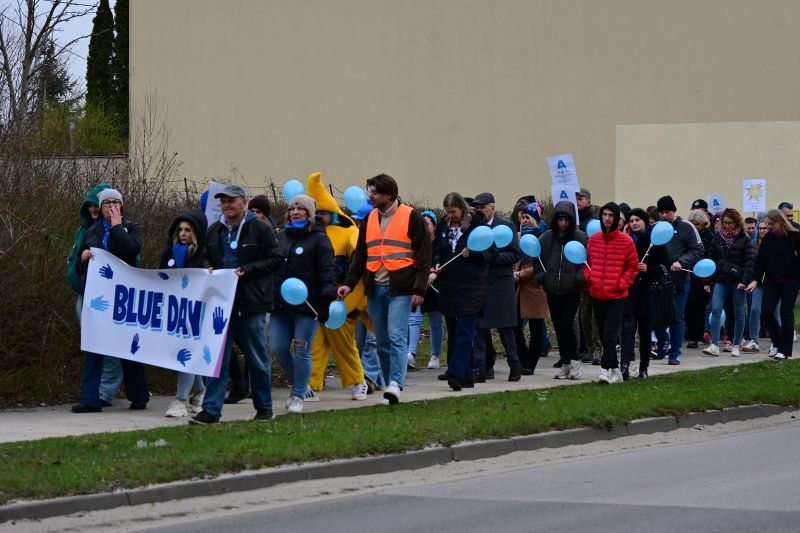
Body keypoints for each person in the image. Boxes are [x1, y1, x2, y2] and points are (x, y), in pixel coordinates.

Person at [190, 184, 282, 424]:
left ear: (244, 202)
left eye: (232, 200)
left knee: (256, 357)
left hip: (251, 302)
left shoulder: (259, 228)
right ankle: (211, 410)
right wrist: (206, 266)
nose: (227, 205)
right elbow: (205, 256)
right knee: (217, 357)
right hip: (221, 303)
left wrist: (248, 270)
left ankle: (264, 407)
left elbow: (275, 259)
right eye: (223, 201)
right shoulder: (214, 230)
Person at [338, 174, 432, 404]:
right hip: (376, 289)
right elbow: (360, 257)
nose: (370, 195)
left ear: (389, 195)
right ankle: (391, 382)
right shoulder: (369, 219)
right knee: (381, 341)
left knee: (397, 336)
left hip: (401, 288)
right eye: (370, 191)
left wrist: (419, 288)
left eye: (375, 192)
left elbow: (424, 254)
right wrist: (348, 284)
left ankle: (395, 384)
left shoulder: (411, 216)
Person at [71, 188, 150, 413]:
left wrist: (117, 227)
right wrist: (84, 259)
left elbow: (130, 251)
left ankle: (139, 395)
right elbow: (79, 264)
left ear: (122, 206)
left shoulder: (132, 227)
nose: (111, 207)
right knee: (94, 345)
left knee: (128, 345)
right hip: (100, 297)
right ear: (101, 207)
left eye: (116, 203)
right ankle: (89, 399)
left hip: (124, 296)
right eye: (107, 204)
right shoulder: (94, 230)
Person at [271, 194, 337, 413]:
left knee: (302, 351)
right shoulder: (280, 237)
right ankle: (301, 382)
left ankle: (298, 395)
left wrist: (326, 300)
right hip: (281, 305)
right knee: (278, 347)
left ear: (310, 213)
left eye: (300, 208)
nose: (295, 212)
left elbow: (327, 271)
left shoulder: (319, 239)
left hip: (308, 305)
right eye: (292, 208)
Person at [305, 172, 369, 401]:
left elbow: (360, 255)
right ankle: (310, 383)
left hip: (340, 300)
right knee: (315, 343)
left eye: (323, 212)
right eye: (317, 213)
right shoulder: (307, 235)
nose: (320, 217)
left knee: (343, 343)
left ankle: (358, 381)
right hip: (315, 298)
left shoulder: (349, 231)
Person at [430, 193, 489, 391]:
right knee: (454, 332)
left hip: (471, 287)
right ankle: (466, 376)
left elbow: (489, 254)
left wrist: (473, 254)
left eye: (453, 212)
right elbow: (438, 247)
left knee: (465, 329)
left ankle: (455, 372)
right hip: (449, 286)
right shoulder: (444, 226)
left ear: (462, 209)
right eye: (447, 212)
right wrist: (437, 262)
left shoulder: (476, 227)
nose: (450, 215)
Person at [160, 209, 208, 417]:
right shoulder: (169, 253)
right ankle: (200, 390)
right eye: (180, 229)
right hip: (174, 310)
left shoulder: (203, 255)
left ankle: (180, 400)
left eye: (188, 230)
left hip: (195, 311)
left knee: (186, 351)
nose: (183, 233)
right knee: (182, 351)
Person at [471, 192, 523, 382]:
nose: (479, 211)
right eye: (476, 208)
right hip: (481, 284)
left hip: (501, 284)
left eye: (482, 207)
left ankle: (514, 364)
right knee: (479, 328)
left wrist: (493, 258)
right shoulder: (474, 228)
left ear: (492, 208)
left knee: (504, 328)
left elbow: (515, 255)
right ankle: (481, 368)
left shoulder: (506, 226)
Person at [584, 202, 639, 384]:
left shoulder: (626, 241)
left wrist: (621, 283)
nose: (607, 219)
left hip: (617, 296)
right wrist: (590, 278)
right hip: (597, 293)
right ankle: (615, 369)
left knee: (610, 333)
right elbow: (586, 264)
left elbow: (632, 267)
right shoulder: (594, 240)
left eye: (611, 215)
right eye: (604, 215)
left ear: (616, 219)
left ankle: (604, 369)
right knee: (603, 333)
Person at [534, 201, 587, 380]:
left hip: (572, 289)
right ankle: (565, 363)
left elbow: (586, 263)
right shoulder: (547, 238)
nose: (563, 223)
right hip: (552, 289)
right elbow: (537, 260)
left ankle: (574, 361)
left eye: (566, 220)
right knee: (559, 327)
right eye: (560, 219)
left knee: (566, 325)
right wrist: (542, 277)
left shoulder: (580, 238)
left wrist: (579, 279)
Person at [621, 208, 669, 380]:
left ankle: (644, 368)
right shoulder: (626, 240)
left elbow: (665, 267)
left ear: (644, 221)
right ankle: (624, 366)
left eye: (637, 220)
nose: (634, 223)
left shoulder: (655, 241)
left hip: (648, 294)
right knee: (627, 331)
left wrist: (649, 269)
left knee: (645, 333)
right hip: (629, 292)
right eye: (631, 221)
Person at [746, 209, 800, 360]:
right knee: (766, 312)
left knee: (786, 314)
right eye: (767, 224)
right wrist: (755, 280)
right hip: (772, 281)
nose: (768, 227)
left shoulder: (794, 236)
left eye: (771, 224)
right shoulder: (768, 238)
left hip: (791, 281)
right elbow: (760, 262)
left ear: (780, 222)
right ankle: (778, 342)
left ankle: (785, 350)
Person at [657, 195, 704, 365]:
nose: (663, 215)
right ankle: (663, 342)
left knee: (677, 317)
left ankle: (675, 352)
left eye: (667, 212)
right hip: (659, 280)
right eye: (661, 212)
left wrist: (681, 261)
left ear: (674, 211)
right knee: (657, 316)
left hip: (680, 280)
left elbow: (698, 249)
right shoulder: (656, 228)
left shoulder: (686, 227)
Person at [702, 209, 754, 357]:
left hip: (738, 281)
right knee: (716, 309)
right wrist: (707, 281)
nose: (727, 226)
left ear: (737, 223)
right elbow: (710, 259)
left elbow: (750, 262)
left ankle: (736, 343)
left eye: (730, 223)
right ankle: (714, 344)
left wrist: (744, 281)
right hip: (720, 279)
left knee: (738, 312)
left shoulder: (745, 239)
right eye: (725, 223)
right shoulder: (717, 238)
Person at [513, 202, 549, 375]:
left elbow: (542, 265)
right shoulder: (517, 236)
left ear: (535, 220)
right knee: (514, 325)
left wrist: (522, 274)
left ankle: (531, 362)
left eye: (528, 217)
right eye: (523, 217)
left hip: (535, 287)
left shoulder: (543, 237)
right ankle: (523, 356)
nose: (524, 220)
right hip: (517, 288)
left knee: (536, 327)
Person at [408, 210, 445, 369]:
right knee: (414, 319)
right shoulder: (414, 242)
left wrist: (434, 273)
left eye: (427, 223)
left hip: (435, 287)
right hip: (417, 285)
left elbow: (440, 260)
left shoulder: (439, 243)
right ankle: (411, 354)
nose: (423, 226)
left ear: (434, 227)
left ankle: (435, 355)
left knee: (435, 322)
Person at [575, 188, 602, 365]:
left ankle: (597, 349)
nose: (577, 201)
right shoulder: (572, 222)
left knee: (594, 317)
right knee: (583, 316)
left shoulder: (594, 223)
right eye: (575, 198)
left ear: (589, 201)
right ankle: (585, 349)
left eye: (581, 198)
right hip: (578, 275)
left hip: (596, 276)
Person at [684, 210, 715, 349]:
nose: (695, 227)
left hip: (703, 275)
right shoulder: (687, 235)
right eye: (693, 224)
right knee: (689, 306)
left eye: (697, 224)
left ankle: (695, 336)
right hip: (688, 272)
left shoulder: (710, 237)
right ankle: (690, 333)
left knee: (699, 307)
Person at [742, 218, 769, 353]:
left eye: (765, 228)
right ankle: (754, 340)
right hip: (757, 282)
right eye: (761, 228)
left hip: (773, 283)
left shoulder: (775, 243)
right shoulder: (753, 245)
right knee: (754, 310)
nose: (762, 230)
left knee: (774, 313)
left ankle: (777, 341)